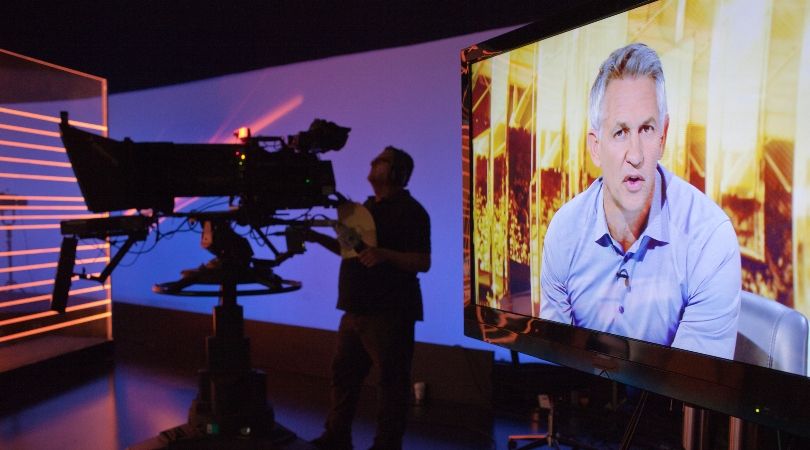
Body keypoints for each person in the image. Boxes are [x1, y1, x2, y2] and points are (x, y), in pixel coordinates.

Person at [539, 43, 741, 359]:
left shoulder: (708, 237)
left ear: (663, 135)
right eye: (620, 132)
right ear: (595, 146)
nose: (635, 155)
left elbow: (694, 391)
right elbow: (554, 366)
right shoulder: (564, 233)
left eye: (646, 129)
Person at [307, 145, 431, 450]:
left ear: (398, 173)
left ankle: (387, 445)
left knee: (391, 382)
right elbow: (348, 251)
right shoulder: (364, 209)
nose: (374, 162)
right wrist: (315, 236)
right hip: (354, 308)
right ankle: (337, 436)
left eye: (383, 161)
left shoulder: (412, 212)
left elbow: (422, 262)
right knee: (344, 376)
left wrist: (384, 254)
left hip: (389, 310)